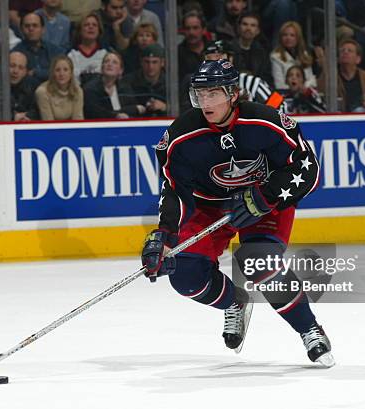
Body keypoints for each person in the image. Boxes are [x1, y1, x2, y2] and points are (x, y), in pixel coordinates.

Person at [140, 59, 334, 367]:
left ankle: (309, 328)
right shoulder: (180, 137)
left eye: (213, 93)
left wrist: (266, 195)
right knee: (186, 277)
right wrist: (164, 235)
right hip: (208, 206)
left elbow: (307, 168)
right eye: (199, 94)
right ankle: (236, 301)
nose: (205, 102)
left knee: (259, 262)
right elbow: (175, 190)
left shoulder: (266, 122)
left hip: (262, 201)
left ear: (233, 94)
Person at [0, 51, 39, 122]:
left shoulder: (33, 86)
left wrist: (26, 117)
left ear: (25, 72)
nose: (15, 71)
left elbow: (37, 111)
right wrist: (12, 117)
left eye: (21, 68)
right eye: (12, 66)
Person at [83, 50, 142, 119]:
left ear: (120, 70)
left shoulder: (124, 88)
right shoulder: (90, 88)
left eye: (115, 62)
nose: (109, 64)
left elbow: (136, 113)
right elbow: (96, 113)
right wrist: (119, 114)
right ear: (102, 68)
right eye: (106, 61)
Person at [12, 12, 65, 84]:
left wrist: (36, 73)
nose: (31, 29)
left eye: (35, 25)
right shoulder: (15, 53)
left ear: (43, 30)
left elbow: (62, 74)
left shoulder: (55, 51)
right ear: (21, 30)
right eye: (27, 26)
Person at [270, 21, 317, 90]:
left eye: (292, 35)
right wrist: (297, 88)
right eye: (285, 35)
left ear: (298, 38)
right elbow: (279, 85)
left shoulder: (304, 55)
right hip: (284, 95)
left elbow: (312, 81)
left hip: (305, 93)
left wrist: (303, 88)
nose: (288, 38)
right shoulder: (275, 56)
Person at [35, 55, 84, 120]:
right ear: (53, 73)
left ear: (71, 73)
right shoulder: (42, 92)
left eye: (65, 70)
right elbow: (48, 122)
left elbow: (78, 120)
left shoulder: (77, 91)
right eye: (57, 70)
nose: (61, 74)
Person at [230, 12, 273, 86]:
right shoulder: (228, 49)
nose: (248, 28)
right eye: (245, 24)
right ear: (238, 28)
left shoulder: (262, 52)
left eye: (253, 25)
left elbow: (267, 78)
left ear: (258, 31)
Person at [123, 43, 166, 116]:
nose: (150, 66)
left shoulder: (170, 82)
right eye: (147, 62)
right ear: (141, 62)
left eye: (154, 62)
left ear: (162, 63)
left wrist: (165, 107)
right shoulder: (128, 81)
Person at [67, 12, 108, 86]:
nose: (91, 27)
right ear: (79, 30)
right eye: (86, 25)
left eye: (94, 25)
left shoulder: (106, 55)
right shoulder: (71, 55)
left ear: (99, 30)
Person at [177, 11, 207, 81]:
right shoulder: (177, 54)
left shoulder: (214, 50)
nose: (191, 32)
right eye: (187, 28)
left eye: (195, 28)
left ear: (204, 30)